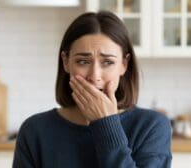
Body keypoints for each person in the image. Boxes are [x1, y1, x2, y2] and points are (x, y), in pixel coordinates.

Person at [12, 11, 172, 168]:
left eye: (108, 62)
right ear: (66, 62)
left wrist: (105, 124)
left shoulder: (152, 127)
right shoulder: (34, 130)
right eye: (83, 61)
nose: (94, 76)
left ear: (124, 64)